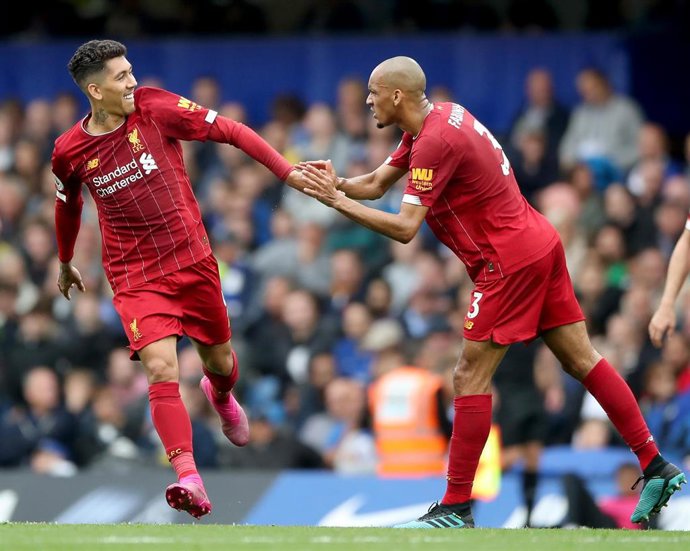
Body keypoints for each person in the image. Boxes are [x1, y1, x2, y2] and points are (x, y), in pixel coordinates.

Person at [300, 56, 686, 529]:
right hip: (537, 241)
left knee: (468, 375)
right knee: (582, 360)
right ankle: (655, 464)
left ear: (396, 95)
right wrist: (332, 184)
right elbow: (378, 183)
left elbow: (404, 228)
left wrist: (336, 202)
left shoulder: (435, 141)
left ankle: (457, 507)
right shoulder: (437, 119)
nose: (367, 100)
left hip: (507, 262)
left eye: (373, 91)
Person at [52, 39, 303, 519]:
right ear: (94, 90)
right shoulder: (69, 150)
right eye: (121, 76)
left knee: (220, 361)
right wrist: (65, 260)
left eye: (130, 72)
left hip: (191, 261)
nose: (131, 81)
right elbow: (68, 205)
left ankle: (222, 395)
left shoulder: (155, 108)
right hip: (135, 276)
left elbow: (228, 130)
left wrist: (284, 171)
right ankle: (188, 475)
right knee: (161, 369)